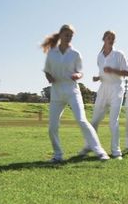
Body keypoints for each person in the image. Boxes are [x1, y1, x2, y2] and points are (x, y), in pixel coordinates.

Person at [42, 24, 110, 162]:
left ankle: (100, 151)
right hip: (56, 94)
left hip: (72, 91)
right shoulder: (51, 53)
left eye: (71, 36)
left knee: (81, 120)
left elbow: (80, 72)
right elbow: (47, 70)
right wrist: (49, 77)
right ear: (60, 35)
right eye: (66, 35)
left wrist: (77, 76)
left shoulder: (75, 54)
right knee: (52, 126)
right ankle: (58, 155)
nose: (69, 37)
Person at [79, 31, 128, 160]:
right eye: (109, 38)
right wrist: (98, 77)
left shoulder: (119, 54)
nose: (111, 40)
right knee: (95, 120)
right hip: (103, 89)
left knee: (113, 121)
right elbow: (103, 74)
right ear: (104, 39)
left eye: (113, 38)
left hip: (117, 89)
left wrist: (113, 70)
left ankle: (116, 152)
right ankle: (89, 146)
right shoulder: (100, 56)